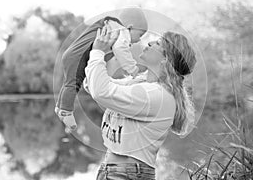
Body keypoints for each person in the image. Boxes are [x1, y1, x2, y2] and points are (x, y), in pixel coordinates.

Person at [83, 23, 197, 180]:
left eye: (157, 44)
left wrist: (97, 52)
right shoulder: (140, 84)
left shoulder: (155, 95)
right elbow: (92, 85)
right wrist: (108, 55)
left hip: (125, 173)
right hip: (117, 170)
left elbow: (101, 92)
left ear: (165, 60)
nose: (150, 43)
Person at [55, 8, 148, 132]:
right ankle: (66, 111)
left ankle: (60, 107)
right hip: (78, 56)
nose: (139, 40)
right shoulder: (122, 31)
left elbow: (113, 52)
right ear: (130, 27)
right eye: (140, 35)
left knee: (69, 82)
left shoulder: (111, 26)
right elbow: (121, 50)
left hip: (74, 54)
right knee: (73, 83)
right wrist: (132, 69)